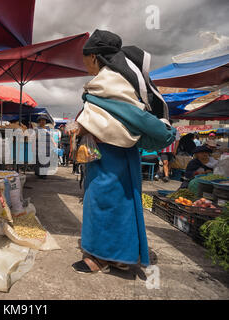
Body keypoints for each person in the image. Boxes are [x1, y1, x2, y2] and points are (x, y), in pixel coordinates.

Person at [71, 30, 171, 274]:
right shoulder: (120, 80)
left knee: (102, 201)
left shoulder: (108, 81)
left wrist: (83, 126)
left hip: (110, 155)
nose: (84, 64)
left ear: (94, 57)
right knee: (123, 200)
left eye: (85, 58)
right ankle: (122, 256)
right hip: (122, 153)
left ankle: (100, 257)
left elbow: (113, 116)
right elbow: (120, 115)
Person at [34, 114, 53, 179]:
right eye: (41, 120)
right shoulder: (36, 129)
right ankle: (39, 173)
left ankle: (44, 174)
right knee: (39, 160)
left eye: (44, 120)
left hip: (47, 147)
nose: (43, 121)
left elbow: (51, 137)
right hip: (39, 147)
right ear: (39, 121)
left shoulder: (48, 128)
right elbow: (34, 138)